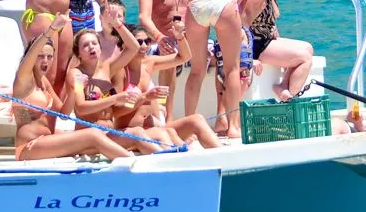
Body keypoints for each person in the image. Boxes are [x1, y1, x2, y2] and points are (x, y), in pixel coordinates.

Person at [12, 14, 132, 161]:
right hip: (29, 147)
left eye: (50, 57)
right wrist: (52, 29)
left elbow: (64, 113)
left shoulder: (44, 83)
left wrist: (74, 90)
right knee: (92, 134)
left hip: (47, 142)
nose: (46, 61)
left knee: (93, 143)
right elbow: (31, 54)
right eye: (40, 56)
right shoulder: (23, 80)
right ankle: (133, 163)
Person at [171, 0, 249, 138]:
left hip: (196, 5)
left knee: (197, 69)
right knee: (232, 69)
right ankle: (233, 127)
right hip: (224, 3)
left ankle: (189, 129)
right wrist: (235, 5)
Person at [114, 24, 220, 149]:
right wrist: (144, 97)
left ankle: (225, 161)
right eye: (139, 42)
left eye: (147, 41)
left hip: (155, 128)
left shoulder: (149, 63)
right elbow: (116, 112)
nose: (143, 46)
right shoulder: (119, 71)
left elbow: (184, 57)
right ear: (126, 44)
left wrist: (180, 37)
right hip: (131, 132)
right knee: (167, 134)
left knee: (197, 120)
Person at [67, 23, 164, 154]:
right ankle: (165, 159)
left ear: (100, 48)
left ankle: (169, 158)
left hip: (109, 134)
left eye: (94, 43)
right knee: (137, 133)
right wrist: (115, 98)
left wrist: (117, 24)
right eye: (85, 45)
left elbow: (133, 47)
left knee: (146, 133)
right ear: (78, 53)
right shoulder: (76, 74)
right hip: (88, 139)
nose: (91, 47)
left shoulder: (107, 69)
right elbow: (81, 108)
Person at [239, 0, 313, 102]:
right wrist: (248, 57)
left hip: (266, 40)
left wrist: (280, 43)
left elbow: (270, 23)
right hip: (255, 46)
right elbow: (241, 23)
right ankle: (289, 99)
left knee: (307, 48)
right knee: (304, 58)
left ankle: (283, 85)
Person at [138, 0, 188, 119]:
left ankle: (224, 119)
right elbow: (144, 17)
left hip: (189, 42)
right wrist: (160, 38)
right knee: (168, 54)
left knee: (225, 59)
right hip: (163, 42)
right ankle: (166, 120)